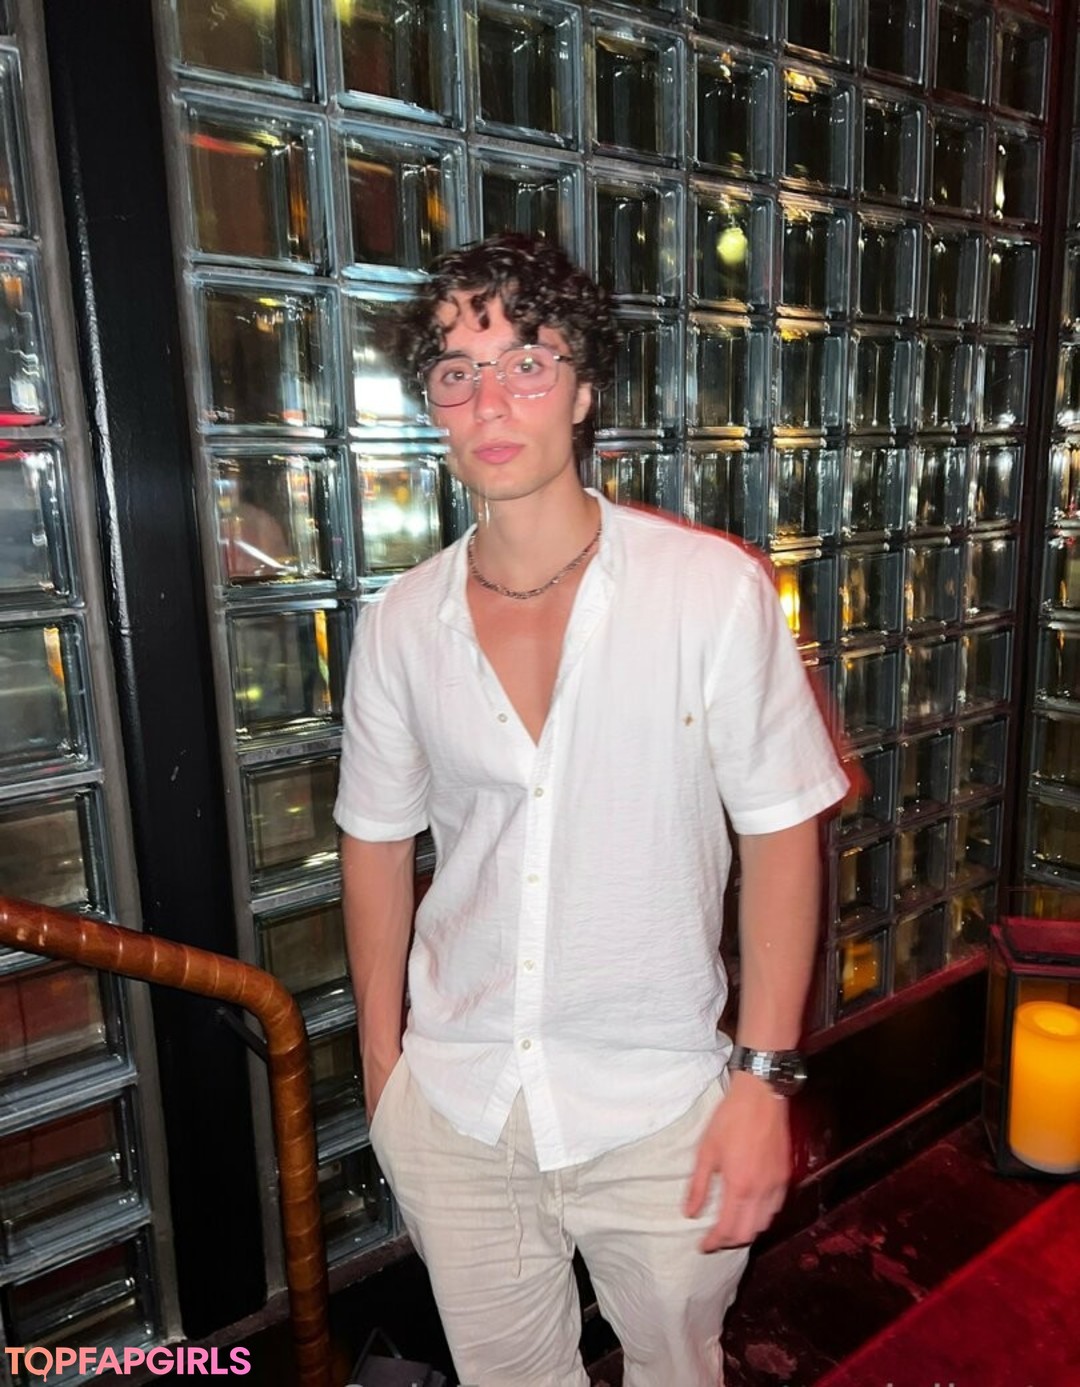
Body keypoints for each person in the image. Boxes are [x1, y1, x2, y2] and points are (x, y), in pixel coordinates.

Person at [334, 233, 849, 1387]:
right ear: (432, 403)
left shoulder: (707, 590)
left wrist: (764, 1082)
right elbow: (373, 840)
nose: (490, 400)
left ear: (582, 389)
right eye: (457, 371)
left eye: (526, 361)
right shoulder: (402, 622)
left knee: (676, 1368)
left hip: (659, 1105)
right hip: (457, 1102)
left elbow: (782, 833)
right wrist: (383, 1067)